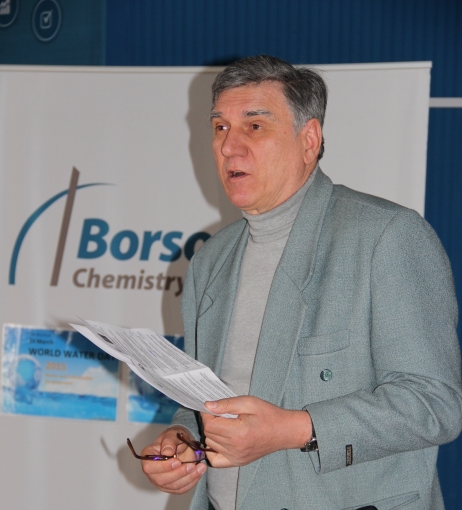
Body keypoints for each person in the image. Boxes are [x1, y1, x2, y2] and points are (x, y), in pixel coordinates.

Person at [140, 55, 462, 510]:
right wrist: (183, 440)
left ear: (309, 140)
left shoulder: (387, 236)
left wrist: (295, 429)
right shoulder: (210, 260)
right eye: (220, 127)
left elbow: (434, 403)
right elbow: (204, 402)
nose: (229, 146)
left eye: (254, 126)